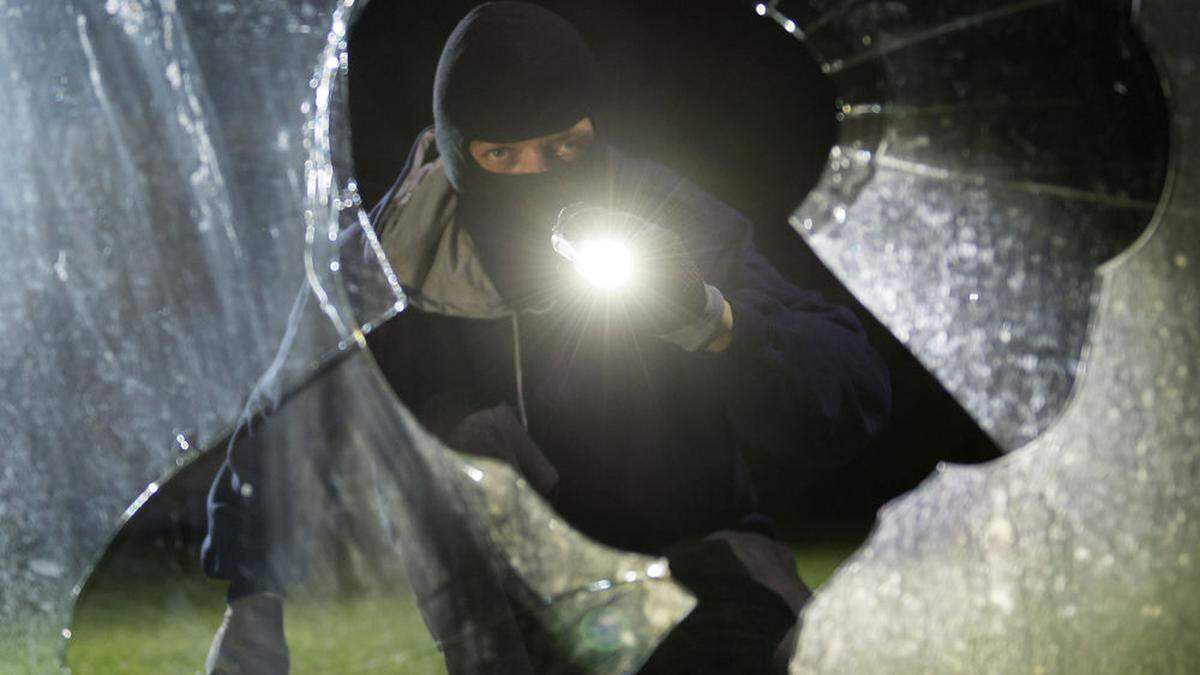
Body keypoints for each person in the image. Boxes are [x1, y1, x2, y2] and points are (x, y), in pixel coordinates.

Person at [202, 3, 890, 673]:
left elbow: (848, 383)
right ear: (456, 149)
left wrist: (711, 320)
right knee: (464, 436)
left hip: (696, 567)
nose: (535, 174)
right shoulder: (390, 262)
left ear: (597, 132)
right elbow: (289, 414)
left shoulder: (668, 217)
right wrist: (253, 598)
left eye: (564, 148)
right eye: (502, 153)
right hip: (507, 607)